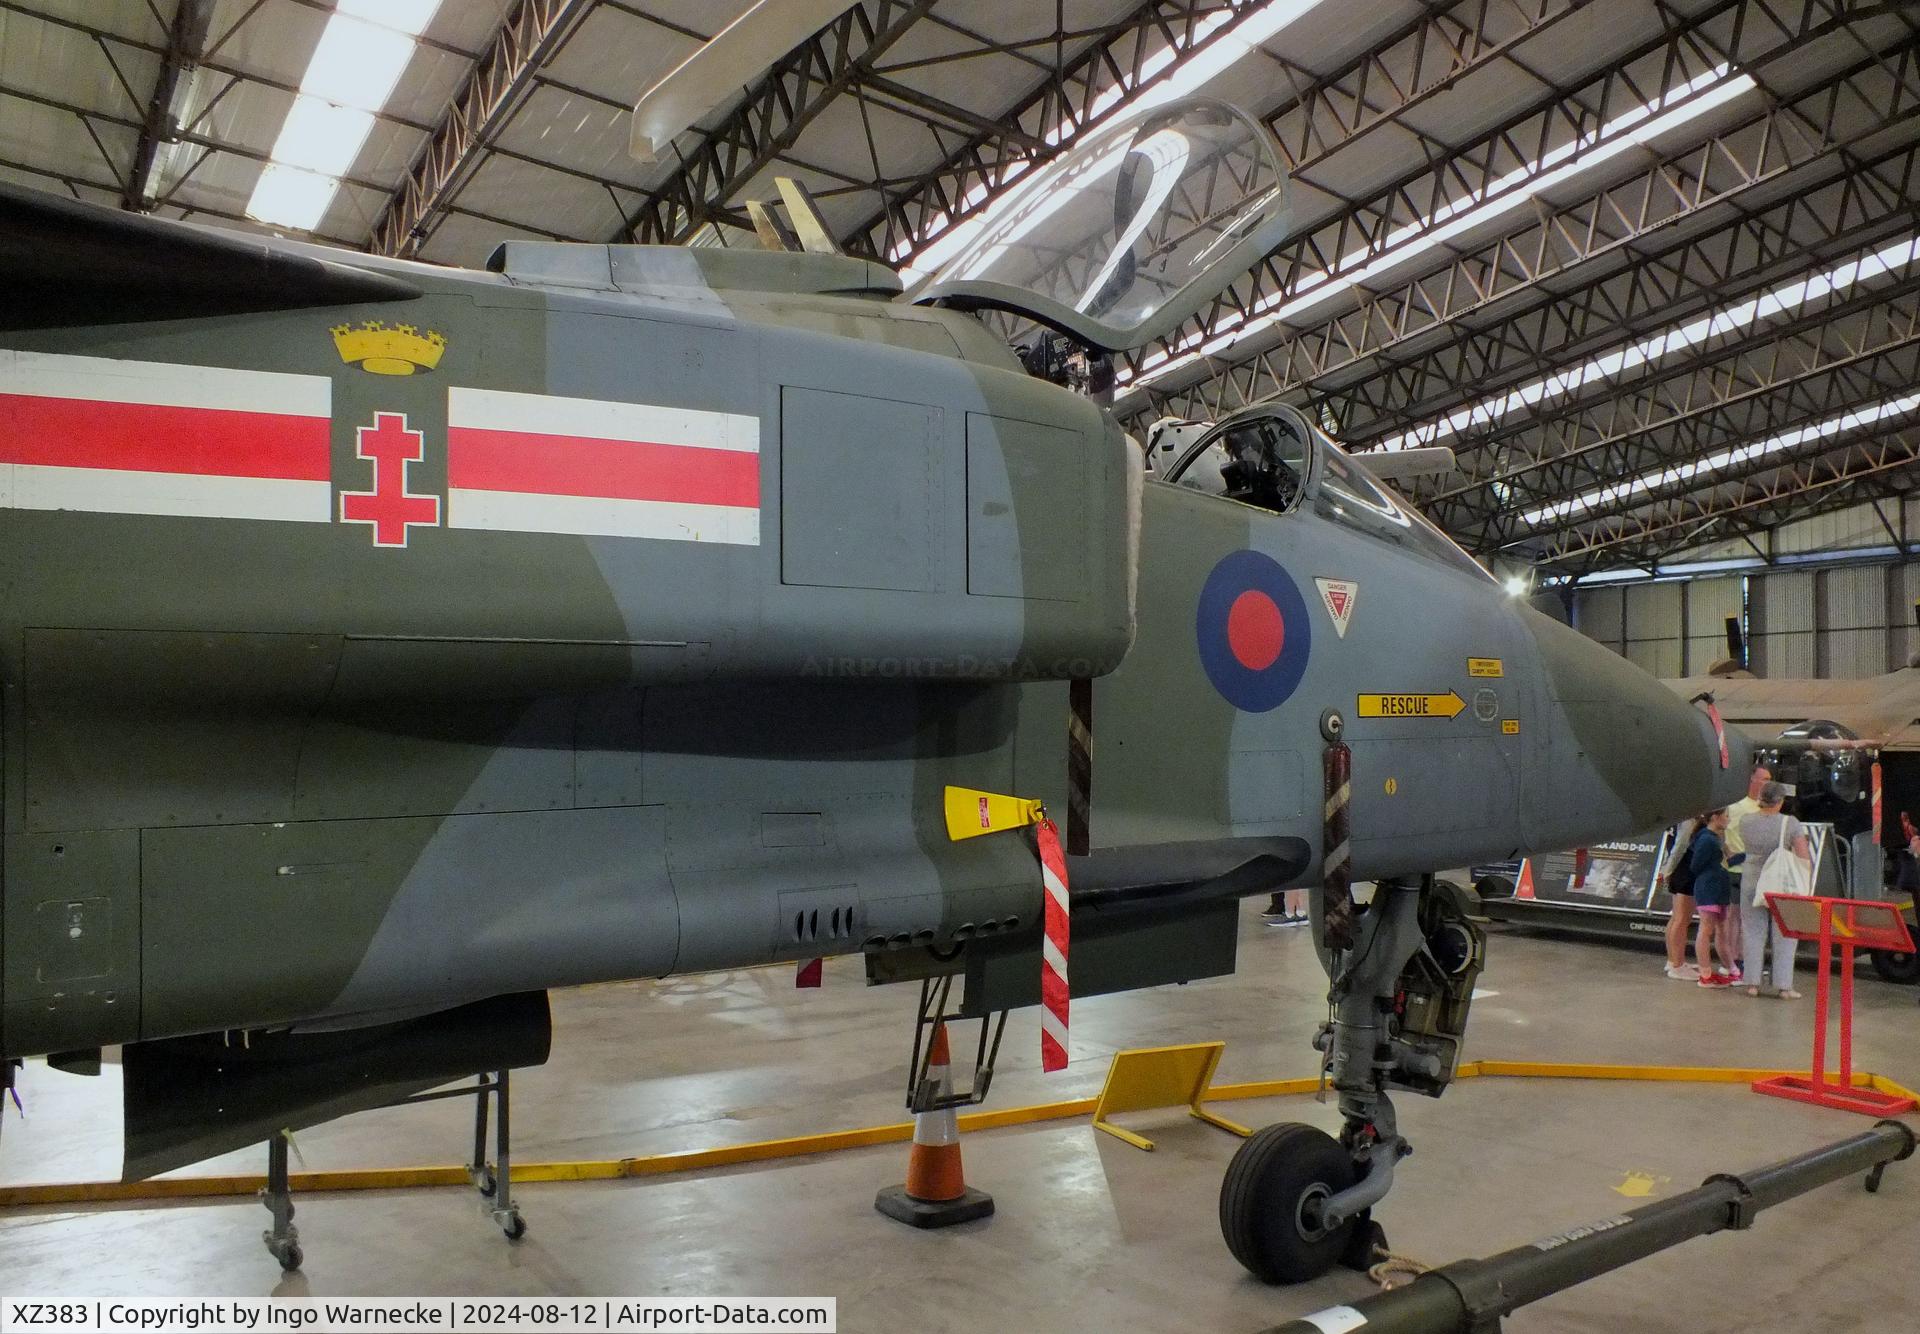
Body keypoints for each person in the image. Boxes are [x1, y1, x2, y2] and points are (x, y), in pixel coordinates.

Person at [1737, 781, 1811, 999]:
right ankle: (1784, 986)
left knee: (1752, 930)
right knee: (1785, 932)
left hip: (1751, 878)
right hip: (1780, 882)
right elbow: (1803, 855)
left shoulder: (1746, 821)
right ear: (1780, 801)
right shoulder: (1790, 823)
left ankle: (1751, 983)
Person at [1719, 764, 1771, 982]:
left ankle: (1741, 960)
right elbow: (1719, 830)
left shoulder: (1764, 808)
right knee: (1733, 918)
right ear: (1752, 781)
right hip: (1735, 870)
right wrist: (1727, 853)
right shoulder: (1735, 807)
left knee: (1746, 918)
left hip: (1755, 870)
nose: (1768, 784)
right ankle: (1731, 962)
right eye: (1765, 779)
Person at [1690, 808, 1738, 987]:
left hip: (1717, 889)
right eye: (1726, 816)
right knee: (1706, 929)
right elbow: (1696, 865)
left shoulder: (1714, 839)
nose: (1728, 820)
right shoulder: (1707, 840)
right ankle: (1705, 974)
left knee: (1720, 930)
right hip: (1709, 889)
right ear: (1716, 818)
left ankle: (1729, 969)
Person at [1658, 814, 1703, 979]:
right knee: (1682, 918)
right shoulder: (1688, 818)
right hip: (1684, 868)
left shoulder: (1676, 817)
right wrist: (1668, 869)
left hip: (1678, 868)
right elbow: (1681, 844)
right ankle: (1677, 964)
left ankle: (1673, 960)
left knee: (1677, 917)